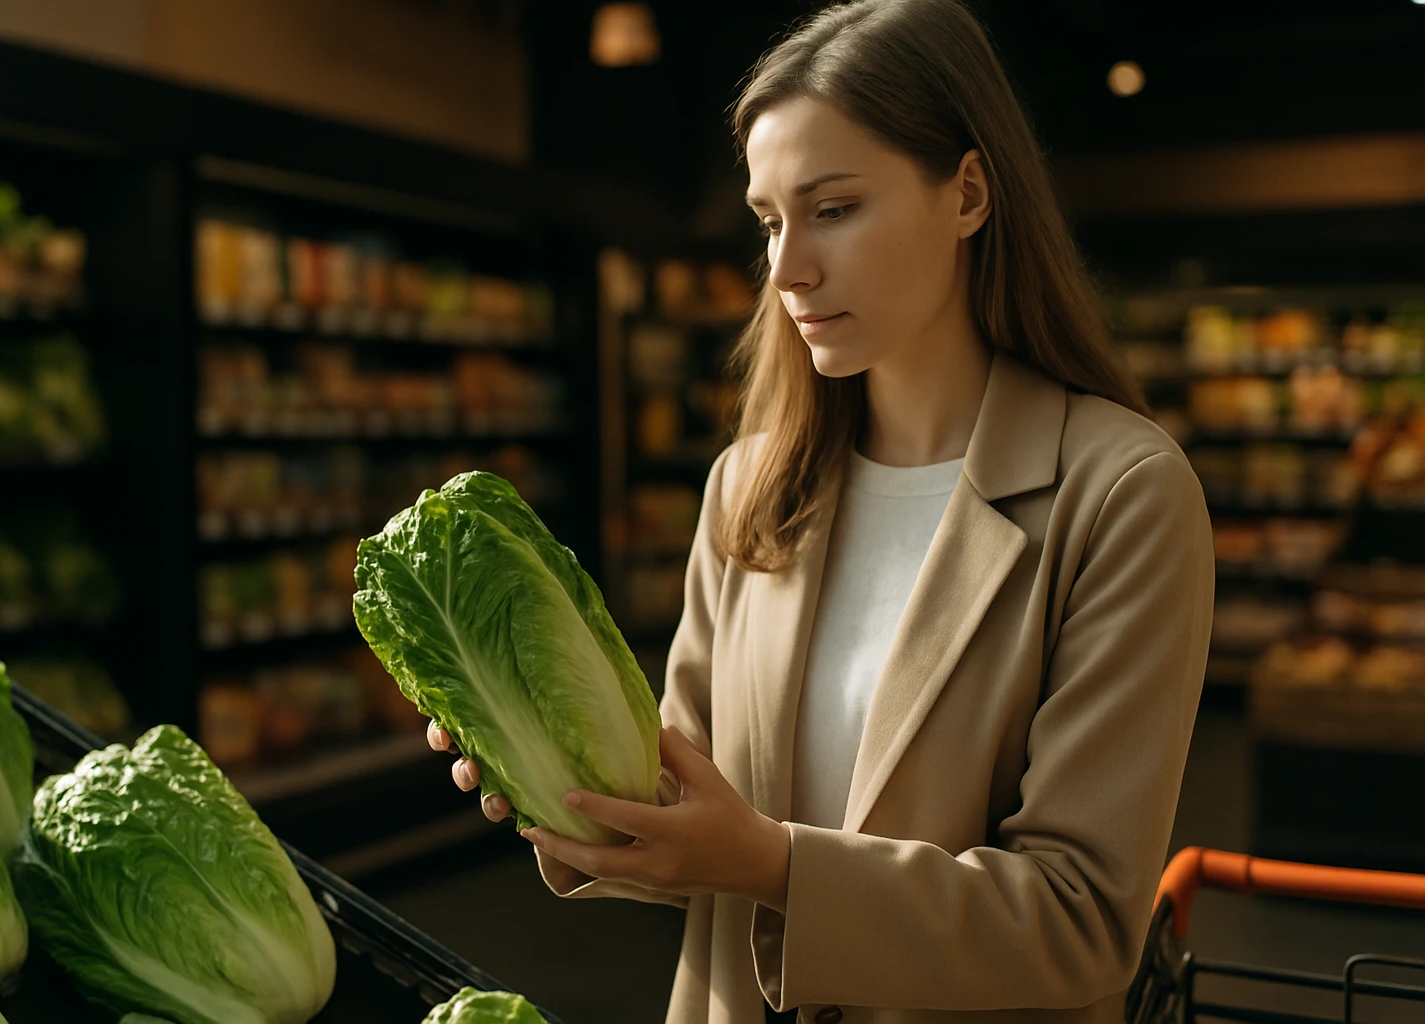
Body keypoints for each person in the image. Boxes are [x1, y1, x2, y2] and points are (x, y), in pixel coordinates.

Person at [428, 0, 1215, 1021]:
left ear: (969, 193)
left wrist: (775, 864)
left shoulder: (1121, 494)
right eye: (768, 220)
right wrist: (550, 776)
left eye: (834, 208)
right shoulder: (747, 488)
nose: (787, 268)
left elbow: (1080, 922)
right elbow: (680, 806)